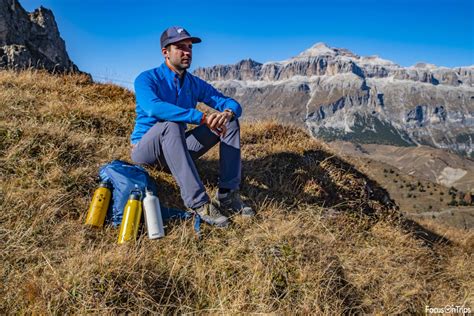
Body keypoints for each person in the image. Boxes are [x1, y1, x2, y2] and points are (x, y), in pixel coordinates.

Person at [130, 26, 254, 227]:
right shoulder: (147, 79)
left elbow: (230, 103)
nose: (187, 52)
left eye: (189, 47)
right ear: (165, 52)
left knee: (229, 122)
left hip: (177, 148)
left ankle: (227, 194)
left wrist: (227, 112)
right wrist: (201, 117)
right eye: (180, 47)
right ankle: (199, 202)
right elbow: (154, 108)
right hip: (146, 152)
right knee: (172, 124)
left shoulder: (193, 83)